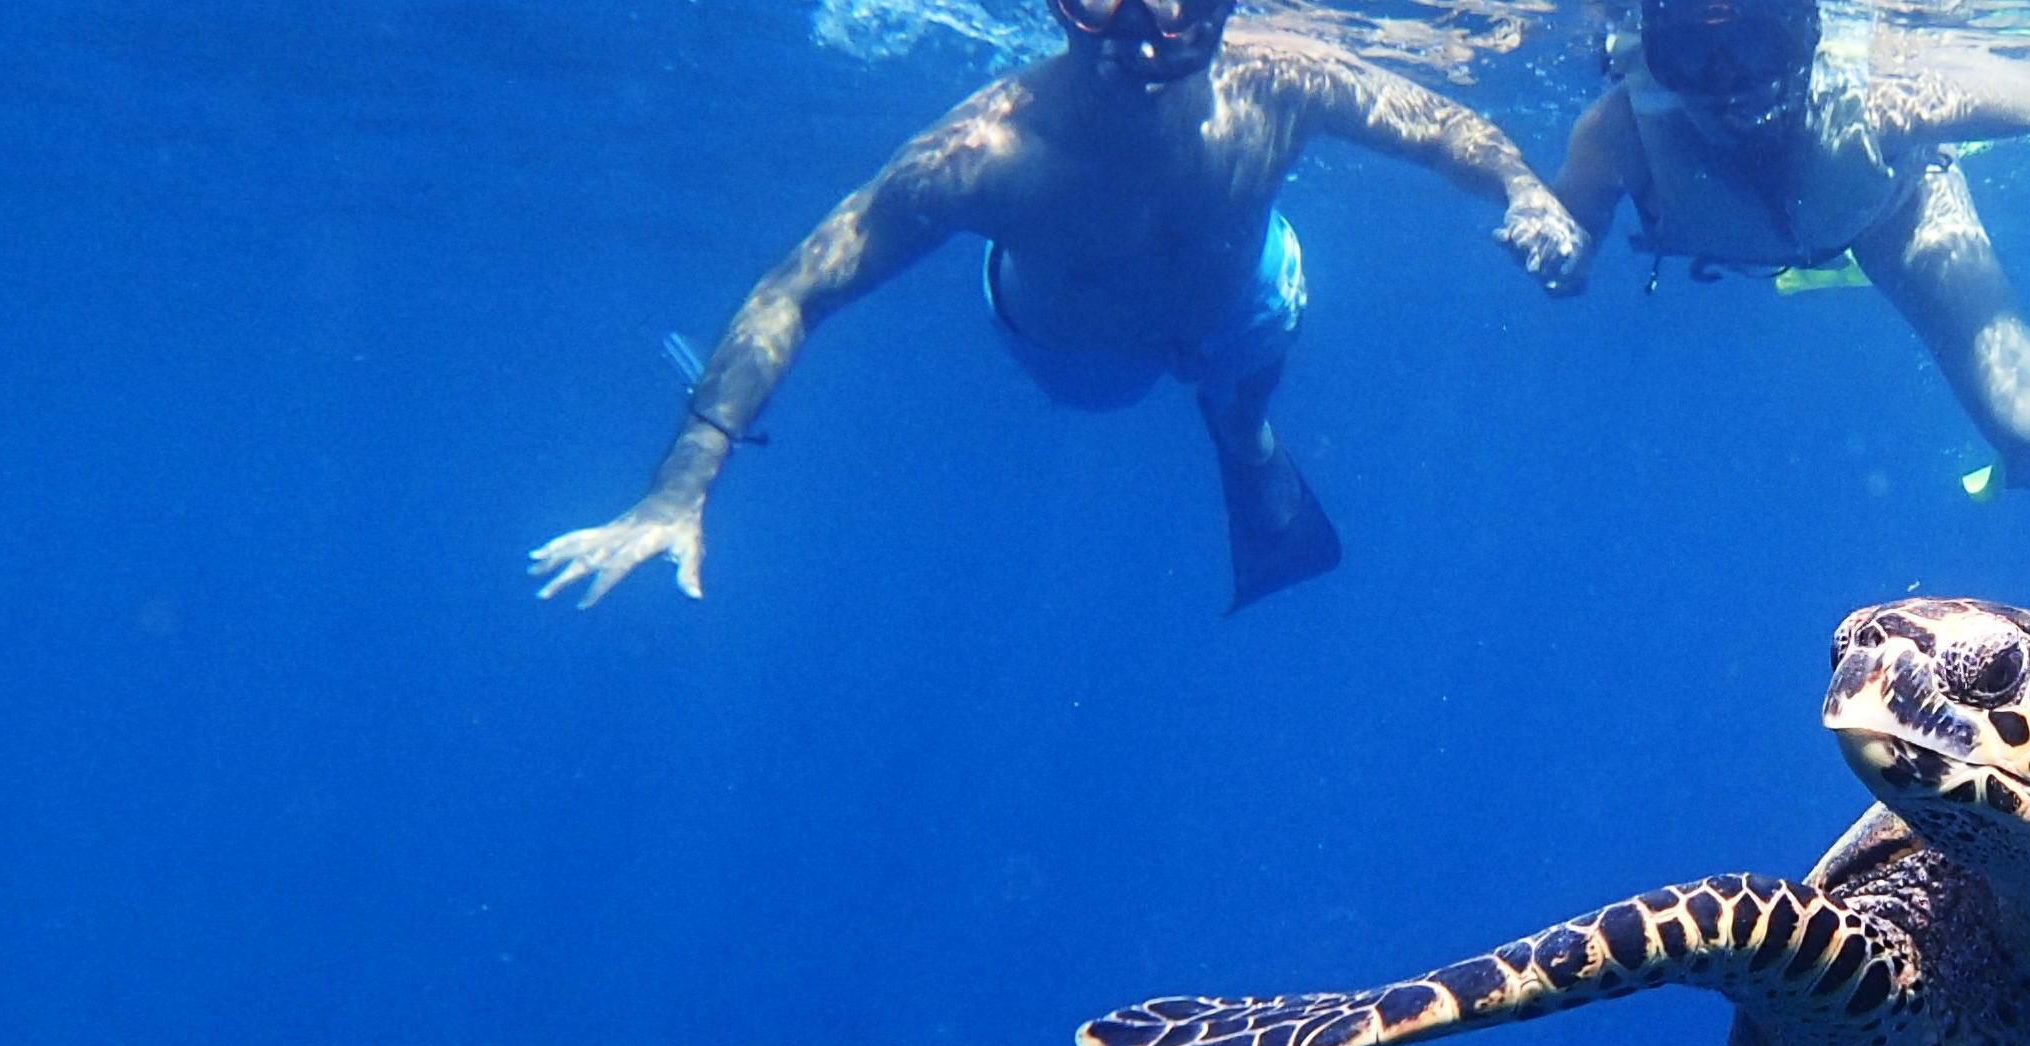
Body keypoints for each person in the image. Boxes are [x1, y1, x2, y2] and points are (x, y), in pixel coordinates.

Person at [532, 0, 1591, 612]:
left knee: (1267, 313)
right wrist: (678, 488)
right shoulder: (982, 156)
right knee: (1129, 381)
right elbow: (796, 288)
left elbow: (1441, 124)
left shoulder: (1286, 82)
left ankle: (1242, 430)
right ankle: (1231, 417)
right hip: (1074, 354)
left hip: (1241, 294)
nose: (1140, 34)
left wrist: (1527, 191)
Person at [1549, 0, 2030, 495]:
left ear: (1810, 34)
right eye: (1691, 56)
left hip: (1899, 215)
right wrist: (1554, 248)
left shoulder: (1879, 104)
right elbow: (1568, 233)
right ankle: (1820, 264)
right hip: (1782, 237)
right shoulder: (1616, 131)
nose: (1731, 84)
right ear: (1650, 53)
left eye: (1761, 44)